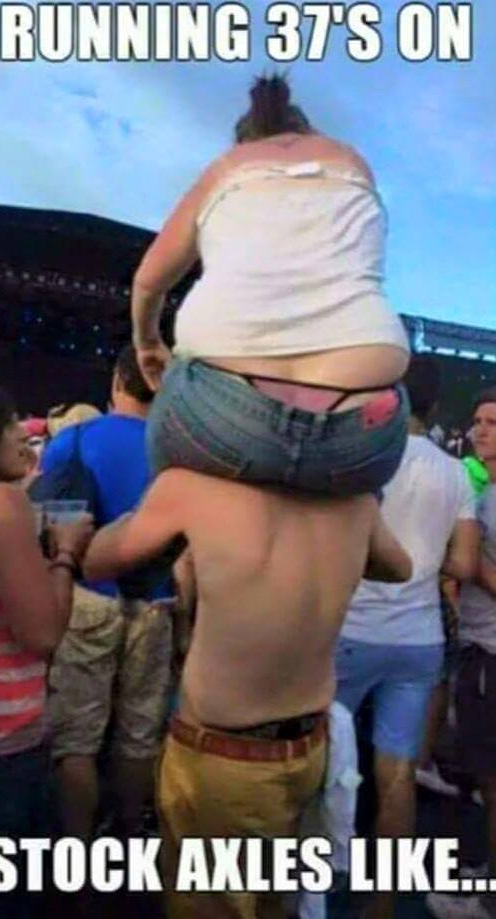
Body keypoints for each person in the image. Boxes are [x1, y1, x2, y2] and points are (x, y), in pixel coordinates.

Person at [83, 470, 411, 919]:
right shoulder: (356, 503)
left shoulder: (193, 487)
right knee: (273, 901)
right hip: (307, 749)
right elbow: (399, 568)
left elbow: (98, 561)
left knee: (210, 906)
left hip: (221, 760)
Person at [131, 74, 410, 498]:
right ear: (306, 128)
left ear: (244, 139)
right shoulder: (352, 161)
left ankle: (167, 525)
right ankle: (364, 519)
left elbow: (149, 280)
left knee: (168, 487)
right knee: (357, 491)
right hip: (361, 428)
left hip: (223, 415)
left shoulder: (226, 166)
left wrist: (147, 342)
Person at [335, 356, 479, 919]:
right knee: (397, 773)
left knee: (325, 763)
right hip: (418, 639)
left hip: (350, 631)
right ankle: (384, 903)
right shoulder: (455, 473)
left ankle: (309, 890)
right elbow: (464, 564)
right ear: (435, 406)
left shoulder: (367, 460)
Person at [40, 345, 178, 840]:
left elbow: (52, 523)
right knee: (139, 732)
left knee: (77, 736)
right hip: (157, 602)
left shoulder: (74, 440)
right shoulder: (179, 453)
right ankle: (130, 834)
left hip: (86, 596)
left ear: (118, 381)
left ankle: (78, 848)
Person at [0, 388, 92, 919]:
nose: (22, 437)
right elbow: (44, 633)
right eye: (8, 424)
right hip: (1, 746)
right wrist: (66, 553)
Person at [427, 388, 496, 919]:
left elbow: (474, 568)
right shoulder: (485, 490)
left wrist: (468, 563)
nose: (480, 431)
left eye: (492, 423)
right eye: (478, 421)